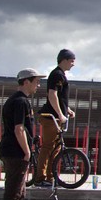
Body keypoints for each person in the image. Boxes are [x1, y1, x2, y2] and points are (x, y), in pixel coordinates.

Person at [0, 68, 42, 200]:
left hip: (13, 151)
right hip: (15, 151)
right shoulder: (20, 101)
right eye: (36, 82)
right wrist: (26, 151)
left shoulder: (18, 100)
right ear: (26, 82)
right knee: (13, 192)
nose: (38, 85)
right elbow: (19, 129)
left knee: (19, 192)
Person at [34, 48, 77, 187]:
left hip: (57, 117)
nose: (73, 64)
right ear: (63, 60)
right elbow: (52, 95)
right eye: (71, 61)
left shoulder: (61, 75)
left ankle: (50, 177)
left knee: (55, 148)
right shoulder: (57, 74)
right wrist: (59, 114)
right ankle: (40, 178)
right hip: (51, 117)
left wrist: (67, 110)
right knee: (48, 147)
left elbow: (60, 97)